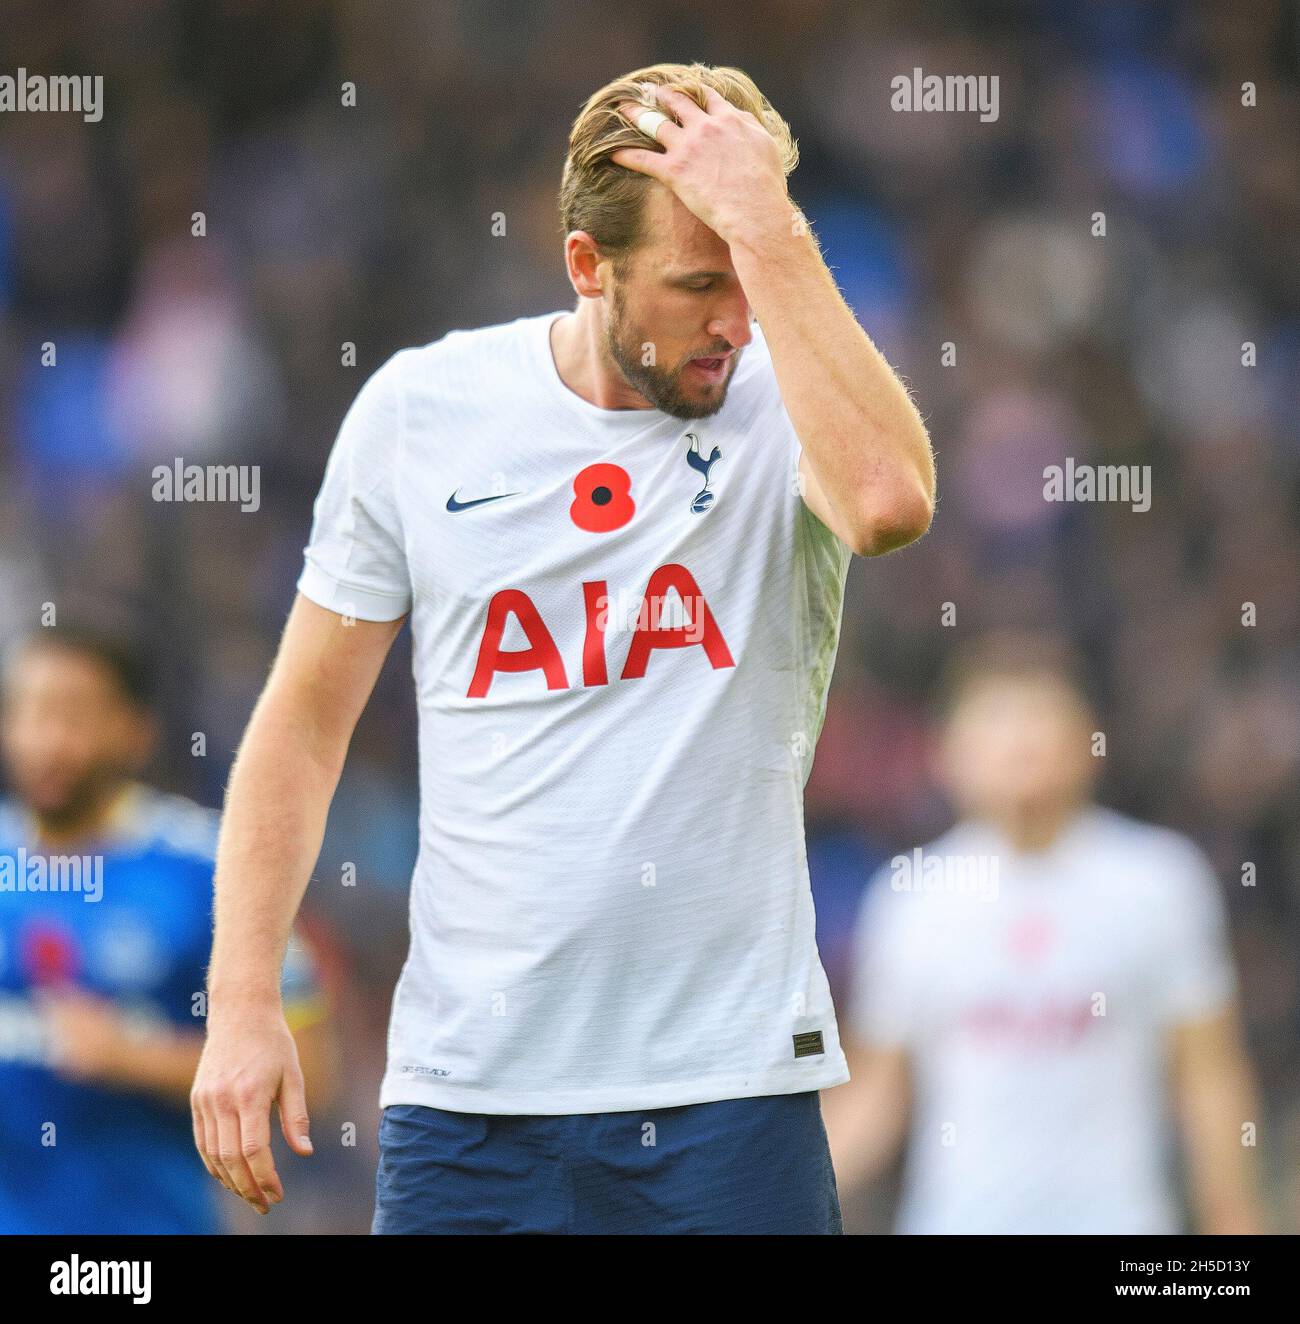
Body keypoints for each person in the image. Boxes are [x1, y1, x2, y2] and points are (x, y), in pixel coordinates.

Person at [192, 61, 934, 1235]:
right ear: (588, 268)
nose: (734, 320)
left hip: (729, 1093)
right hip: (469, 1102)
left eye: (749, 274)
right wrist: (240, 999)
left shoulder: (789, 391)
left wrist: (767, 224)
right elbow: (302, 723)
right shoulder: (419, 411)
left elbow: (890, 501)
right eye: (698, 284)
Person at [823, 635, 1265, 1234]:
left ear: (1091, 744)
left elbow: (1208, 1078)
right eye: (997, 726)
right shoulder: (912, 898)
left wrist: (1235, 1225)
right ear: (947, 754)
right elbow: (877, 1095)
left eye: (1041, 722)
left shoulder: (1158, 883)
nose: (1022, 747)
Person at [0, 627, 337, 1233]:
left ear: (135, 731)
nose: (46, 740)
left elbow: (312, 1069)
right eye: (28, 712)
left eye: (73, 714)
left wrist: (132, 1056)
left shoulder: (212, 867)